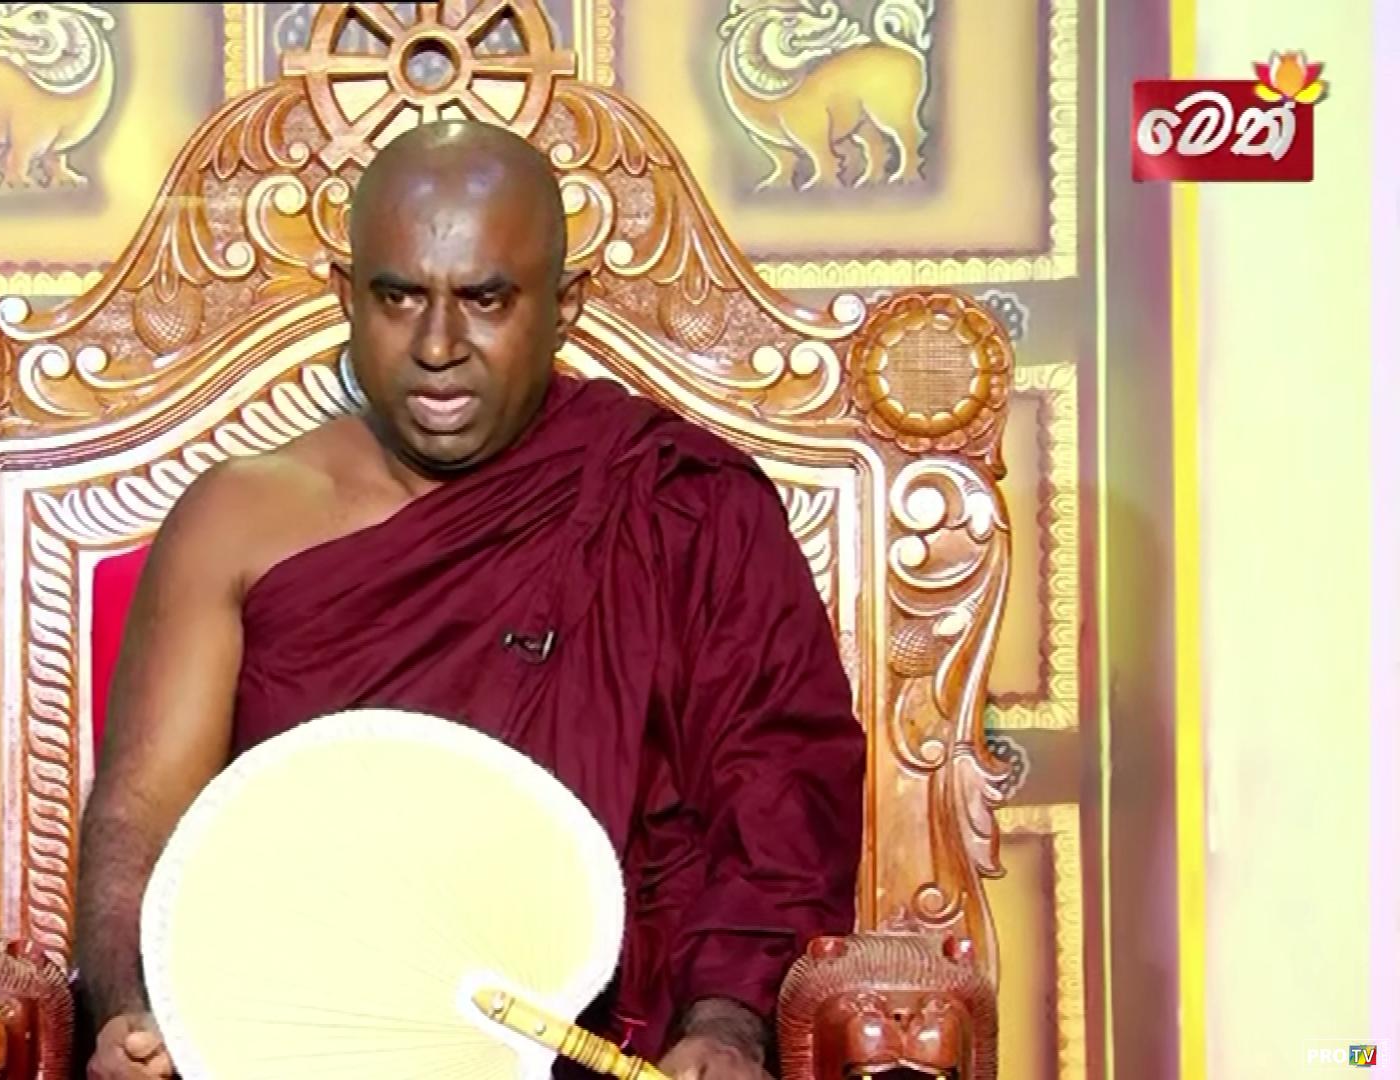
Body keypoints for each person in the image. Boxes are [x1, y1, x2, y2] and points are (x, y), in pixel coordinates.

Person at [75, 120, 864, 1080]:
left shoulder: (682, 504)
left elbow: (777, 794)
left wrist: (726, 1027)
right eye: (398, 297)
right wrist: (136, 1014)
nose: (439, 346)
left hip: (601, 1049)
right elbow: (144, 814)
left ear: (566, 307)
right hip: (293, 1049)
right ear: (346, 298)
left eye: (485, 299)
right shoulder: (238, 519)